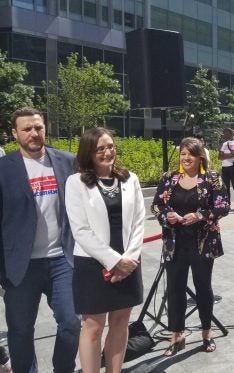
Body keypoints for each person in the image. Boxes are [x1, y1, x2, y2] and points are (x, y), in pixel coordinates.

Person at [0, 107, 80, 373]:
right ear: (15, 133)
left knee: (71, 323)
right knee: (20, 331)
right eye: (27, 129)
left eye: (38, 127)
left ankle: (63, 369)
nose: (34, 133)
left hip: (61, 261)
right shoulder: (3, 168)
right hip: (20, 267)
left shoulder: (68, 161)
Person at [65, 127, 145, 372]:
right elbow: (80, 230)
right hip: (92, 263)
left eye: (110, 146)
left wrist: (128, 259)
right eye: (100, 148)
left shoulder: (129, 179)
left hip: (129, 263)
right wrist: (114, 261)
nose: (107, 152)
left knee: (121, 323)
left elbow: (139, 221)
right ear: (88, 152)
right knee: (93, 327)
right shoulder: (76, 182)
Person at [151, 137, 229, 356]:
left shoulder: (211, 178)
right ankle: (177, 335)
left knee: (203, 288)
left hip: (203, 244)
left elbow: (223, 207)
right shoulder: (169, 178)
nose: (186, 158)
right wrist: (168, 216)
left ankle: (207, 333)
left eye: (190, 154)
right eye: (183, 154)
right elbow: (156, 206)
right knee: (174, 290)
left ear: (200, 157)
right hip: (174, 244)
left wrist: (200, 215)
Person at [218, 128, 234, 210]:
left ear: (230, 133)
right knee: (226, 187)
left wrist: (224, 155)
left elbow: (233, 154)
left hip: (233, 167)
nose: (224, 135)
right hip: (224, 167)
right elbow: (219, 157)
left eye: (225, 133)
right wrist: (226, 155)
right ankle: (228, 204)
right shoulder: (224, 144)